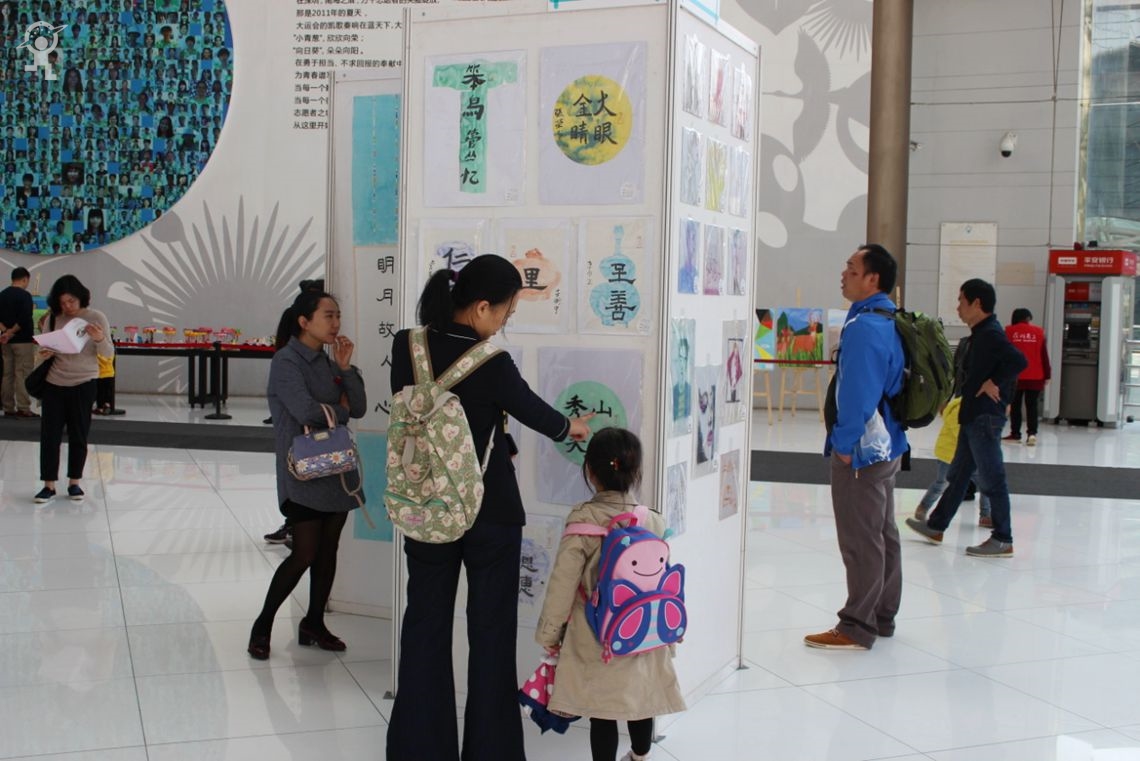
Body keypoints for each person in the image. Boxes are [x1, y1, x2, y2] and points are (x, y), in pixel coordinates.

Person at [386, 255, 593, 761]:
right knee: (491, 635)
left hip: (426, 505)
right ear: (481, 307)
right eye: (505, 312)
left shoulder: (407, 346)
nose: (503, 322)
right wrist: (572, 427)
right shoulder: (491, 362)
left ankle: (418, 750)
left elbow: (423, 413)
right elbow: (533, 411)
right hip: (489, 513)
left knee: (424, 626)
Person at [535, 427, 685, 761]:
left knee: (601, 712)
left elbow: (562, 583)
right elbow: (658, 582)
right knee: (642, 700)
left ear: (590, 470)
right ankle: (640, 755)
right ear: (636, 471)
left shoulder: (583, 519)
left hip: (595, 636)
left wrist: (550, 634)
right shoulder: (652, 520)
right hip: (645, 631)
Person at [248, 290, 365, 660]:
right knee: (304, 553)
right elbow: (305, 411)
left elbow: (359, 406)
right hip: (301, 471)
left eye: (338, 316)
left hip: (336, 469)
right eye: (328, 316)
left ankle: (314, 622)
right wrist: (338, 411)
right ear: (304, 321)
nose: (336, 323)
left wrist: (345, 370)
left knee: (328, 552)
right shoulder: (286, 361)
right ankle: (263, 624)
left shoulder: (330, 362)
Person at [805, 243, 907, 651]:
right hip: (887, 444)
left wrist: (845, 445)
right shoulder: (887, 318)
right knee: (882, 533)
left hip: (863, 451)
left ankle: (856, 625)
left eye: (851, 268)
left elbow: (858, 395)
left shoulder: (865, 327)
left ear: (872, 279)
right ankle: (881, 615)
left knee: (861, 538)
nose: (843, 274)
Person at [906, 279, 1027, 558]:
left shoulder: (991, 334)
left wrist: (994, 381)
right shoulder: (980, 334)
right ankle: (936, 526)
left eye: (961, 300)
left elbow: (1018, 361)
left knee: (992, 478)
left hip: (985, 417)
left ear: (977, 303)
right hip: (972, 415)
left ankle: (1003, 538)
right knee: (958, 475)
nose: (958, 306)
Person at [34, 275, 114, 504]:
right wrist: (44, 352)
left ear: (81, 297)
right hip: (54, 382)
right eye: (62, 303)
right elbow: (43, 351)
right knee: (50, 435)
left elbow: (108, 353)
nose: (67, 306)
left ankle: (74, 482)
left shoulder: (96, 317)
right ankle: (48, 485)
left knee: (79, 434)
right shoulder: (52, 318)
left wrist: (99, 338)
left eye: (71, 301)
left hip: (84, 382)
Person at [913, 396, 993, 527]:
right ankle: (923, 507)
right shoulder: (960, 409)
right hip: (949, 454)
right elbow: (962, 433)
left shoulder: (981, 408)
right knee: (941, 484)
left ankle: (986, 515)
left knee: (986, 484)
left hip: (971, 455)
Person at [1004, 307, 1050, 446]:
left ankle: (1015, 433)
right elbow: (1044, 355)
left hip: (1015, 375)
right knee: (1032, 406)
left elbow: (1004, 355)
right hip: (1035, 375)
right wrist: (1047, 374)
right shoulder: (1039, 332)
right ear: (1027, 318)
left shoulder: (1009, 331)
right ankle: (1032, 434)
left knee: (1015, 405)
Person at [0, 267, 38, 418]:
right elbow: (25, 318)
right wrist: (12, 332)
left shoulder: (2, 294)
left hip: (5, 341)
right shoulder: (25, 296)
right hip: (23, 340)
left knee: (7, 374)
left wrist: (5, 332)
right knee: (22, 373)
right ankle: (23, 407)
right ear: (25, 279)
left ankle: (8, 407)